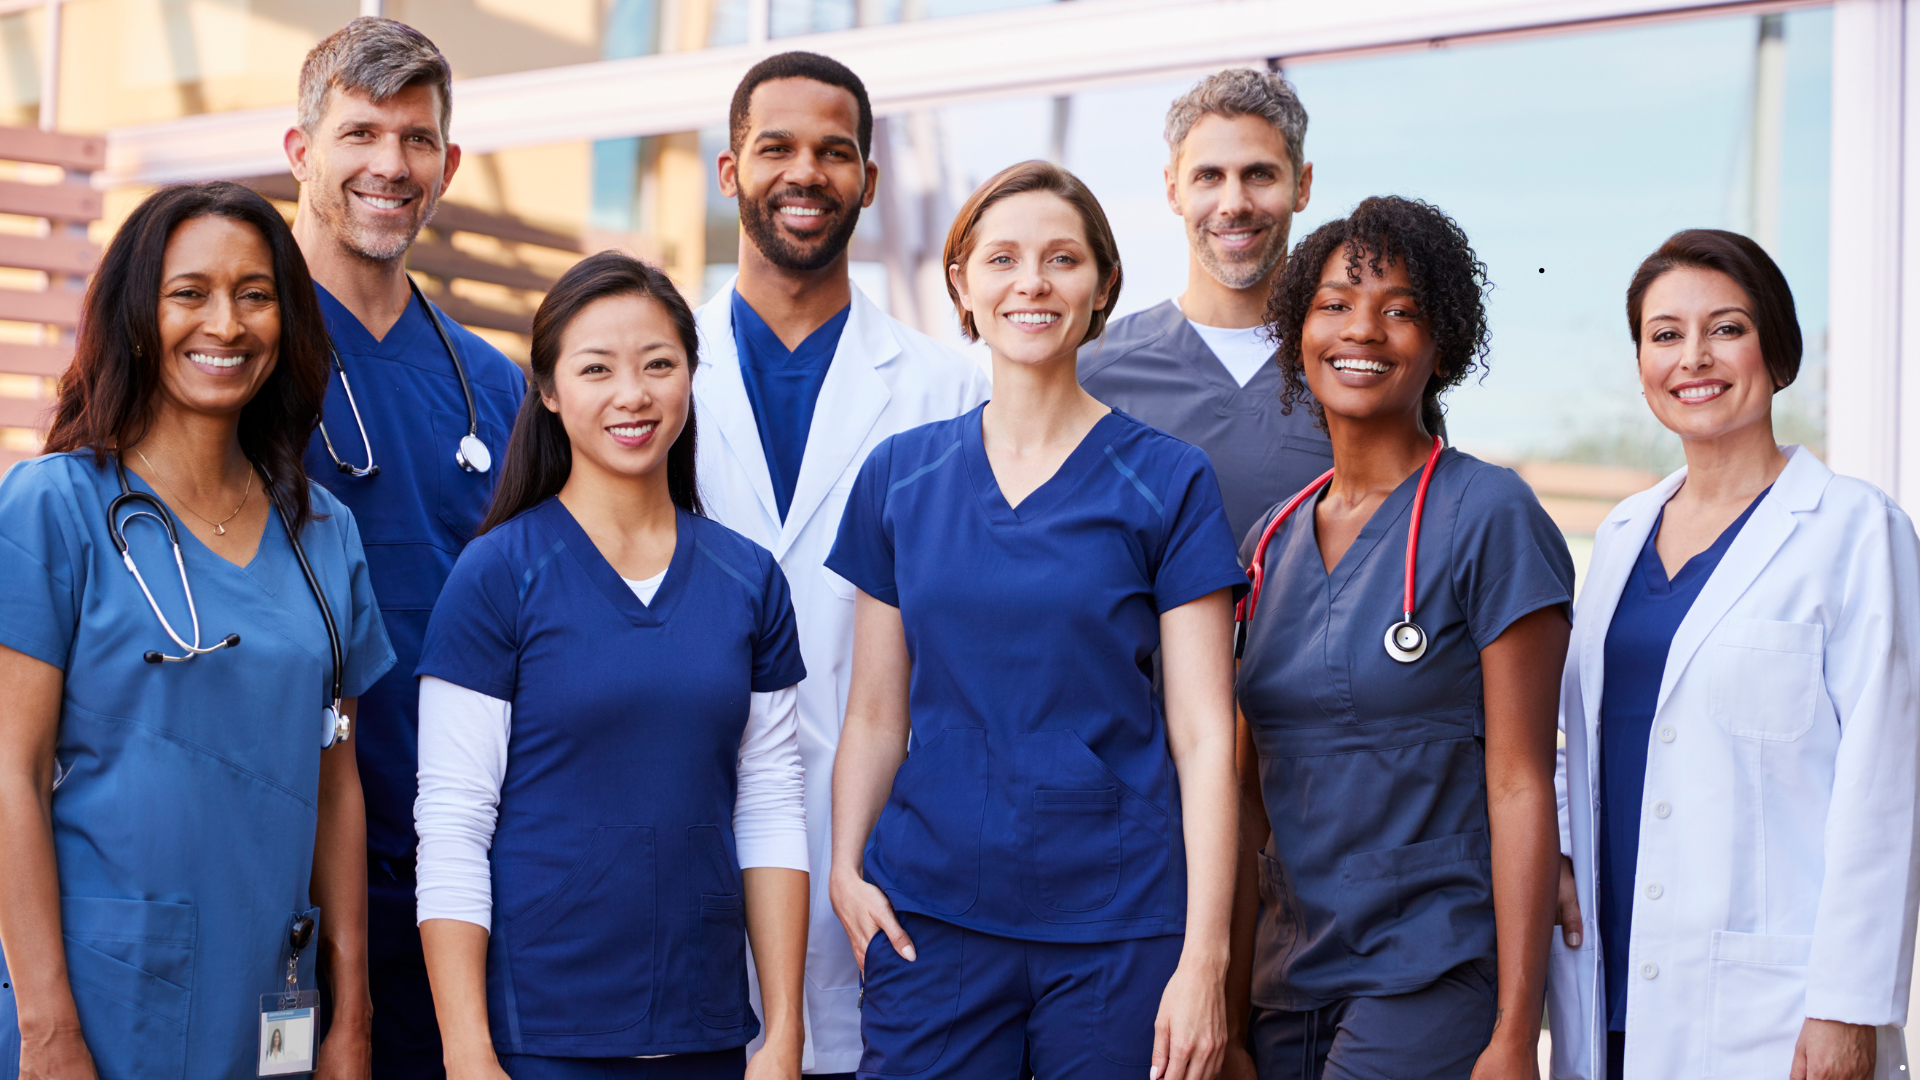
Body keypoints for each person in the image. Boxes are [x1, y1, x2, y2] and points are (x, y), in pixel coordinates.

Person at [827, 160, 1245, 1080]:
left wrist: (1204, 958)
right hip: (930, 919)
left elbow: (1207, 733)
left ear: (1100, 291)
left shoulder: (1168, 481)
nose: (1032, 283)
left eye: (1062, 260)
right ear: (963, 289)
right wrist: (846, 869)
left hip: (1117, 924)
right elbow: (874, 713)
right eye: (1003, 259)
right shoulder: (899, 477)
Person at [0, 182, 393, 1079]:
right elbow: (7, 773)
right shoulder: (55, 507)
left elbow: (336, 784)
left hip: (272, 992)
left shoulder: (323, 532)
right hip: (98, 1000)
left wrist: (352, 1017)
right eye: (190, 294)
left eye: (255, 294)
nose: (226, 323)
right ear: (139, 313)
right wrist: (47, 1027)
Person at [412, 252, 810, 1080]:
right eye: (597, 369)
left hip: (706, 1034)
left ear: (690, 379)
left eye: (658, 365)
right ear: (550, 390)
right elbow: (453, 826)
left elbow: (771, 808)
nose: (633, 395)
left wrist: (782, 1034)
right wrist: (467, 1052)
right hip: (540, 1041)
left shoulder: (749, 579)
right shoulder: (496, 576)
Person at [1546, 230, 1920, 1080]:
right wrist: (1560, 853)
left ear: (1776, 350)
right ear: (1641, 363)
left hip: (1773, 1010)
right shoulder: (1621, 533)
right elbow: (1583, 736)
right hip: (1611, 983)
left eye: (1727, 328)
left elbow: (1884, 785)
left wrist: (1848, 1009)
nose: (1694, 358)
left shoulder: (1856, 529)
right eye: (1665, 334)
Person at [692, 50, 990, 1078]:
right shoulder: (652, 374)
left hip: (896, 863)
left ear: (867, 175)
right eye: (776, 147)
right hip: (684, 849)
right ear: (729, 171)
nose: (806, 173)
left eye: (836, 152)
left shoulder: (953, 391)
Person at [1228, 196, 1573, 1079]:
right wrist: (1227, 1018)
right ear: (1299, 334)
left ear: (1442, 342)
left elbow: (1522, 780)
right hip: (1288, 979)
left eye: (1400, 309)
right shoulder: (1269, 543)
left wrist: (1513, 1032)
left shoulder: (1489, 515)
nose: (1364, 330)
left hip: (1430, 968)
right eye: (1336, 305)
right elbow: (1246, 800)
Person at [283, 19, 527, 1077]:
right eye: (360, 134)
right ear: (301, 153)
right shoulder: (235, 349)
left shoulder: (498, 385)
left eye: (417, 139)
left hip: (456, 876)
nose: (391, 164)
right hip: (280, 864)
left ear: (449, 164)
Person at [1079, 67, 1331, 546]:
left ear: (1302, 185)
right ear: (1174, 190)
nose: (1233, 202)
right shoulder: (1091, 377)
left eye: (1259, 174)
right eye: (1209, 176)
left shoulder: (1358, 369)